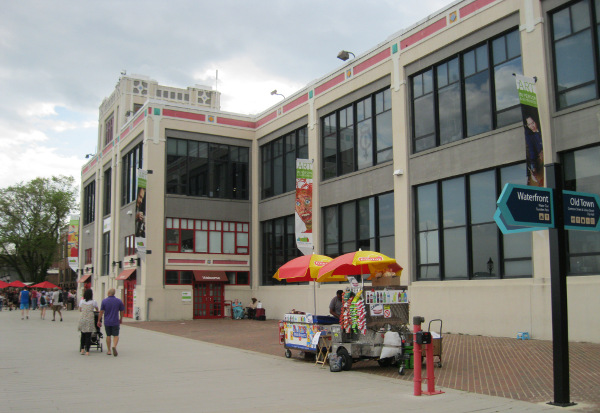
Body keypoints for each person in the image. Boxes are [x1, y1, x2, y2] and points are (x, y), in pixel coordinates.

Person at [97, 288, 124, 357]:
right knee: (116, 335)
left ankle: (109, 350)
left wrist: (98, 320)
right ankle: (114, 346)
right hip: (115, 321)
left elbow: (101, 312)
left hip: (107, 321)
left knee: (108, 335)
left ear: (109, 293)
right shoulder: (118, 301)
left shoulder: (104, 301)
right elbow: (122, 311)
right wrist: (121, 318)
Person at [524, 115, 544, 187]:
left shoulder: (543, 131)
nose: (531, 126)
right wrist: (534, 167)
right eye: (529, 124)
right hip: (540, 162)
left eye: (532, 123)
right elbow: (532, 152)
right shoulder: (531, 137)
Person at [78, 289, 99, 356]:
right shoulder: (93, 302)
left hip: (83, 318)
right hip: (90, 318)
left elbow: (80, 309)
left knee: (82, 334)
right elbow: (97, 309)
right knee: (88, 335)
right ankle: (87, 351)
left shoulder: (82, 301)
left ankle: (82, 349)